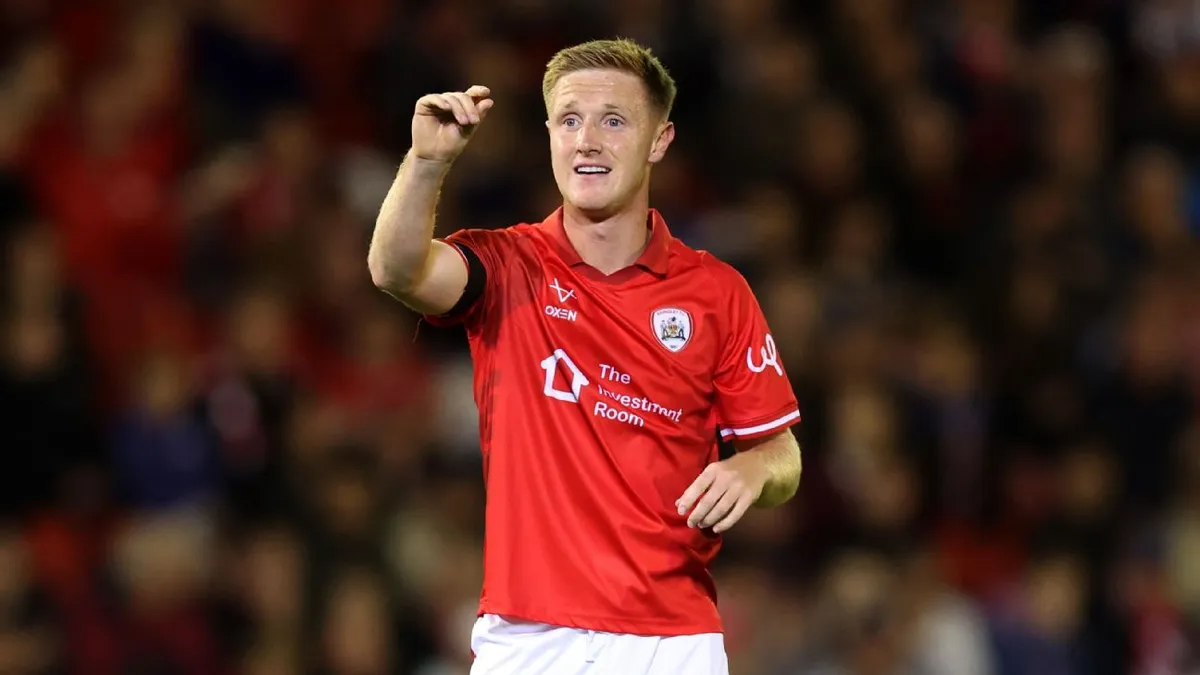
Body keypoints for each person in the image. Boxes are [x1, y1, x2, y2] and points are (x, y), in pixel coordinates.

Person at [368, 38, 802, 675]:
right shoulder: (508, 265)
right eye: (570, 120)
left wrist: (754, 470)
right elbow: (394, 270)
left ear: (659, 140)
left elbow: (782, 452)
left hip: (673, 641)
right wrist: (427, 163)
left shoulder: (717, 292)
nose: (587, 141)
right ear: (550, 136)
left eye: (614, 121)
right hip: (529, 638)